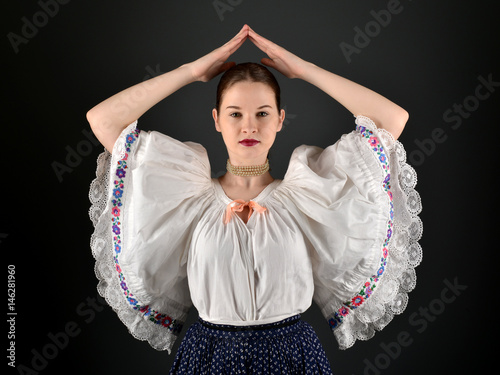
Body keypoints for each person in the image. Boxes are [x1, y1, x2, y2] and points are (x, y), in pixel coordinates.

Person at [87, 24, 422, 374]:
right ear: (217, 120)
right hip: (208, 359)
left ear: (279, 120)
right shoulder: (187, 197)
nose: (249, 126)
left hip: (294, 358)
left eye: (262, 113)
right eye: (235, 114)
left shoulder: (308, 195)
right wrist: (191, 72)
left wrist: (304, 70)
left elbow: (391, 120)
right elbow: (104, 120)